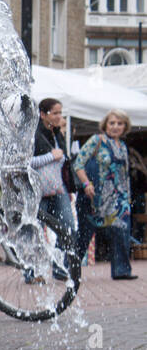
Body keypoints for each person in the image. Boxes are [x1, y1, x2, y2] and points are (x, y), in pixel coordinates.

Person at [73, 109, 139, 281]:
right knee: (84, 235)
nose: (115, 127)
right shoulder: (97, 141)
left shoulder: (122, 147)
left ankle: (122, 270)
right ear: (105, 125)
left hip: (119, 199)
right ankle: (69, 269)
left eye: (120, 123)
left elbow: (124, 175)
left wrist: (127, 197)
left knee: (122, 231)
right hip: (95, 197)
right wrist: (86, 183)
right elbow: (78, 164)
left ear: (125, 126)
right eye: (112, 123)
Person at [28, 98, 79, 287]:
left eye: (60, 112)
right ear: (43, 114)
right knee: (34, 231)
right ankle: (31, 272)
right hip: (38, 191)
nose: (59, 117)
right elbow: (26, 162)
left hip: (58, 189)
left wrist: (70, 188)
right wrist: (50, 156)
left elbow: (65, 164)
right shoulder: (33, 134)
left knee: (68, 228)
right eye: (55, 113)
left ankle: (59, 268)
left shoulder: (57, 134)